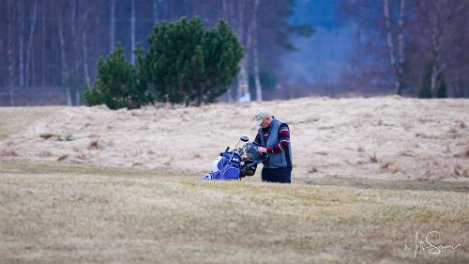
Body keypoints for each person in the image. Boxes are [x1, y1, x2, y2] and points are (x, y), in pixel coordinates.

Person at [253, 108, 292, 183]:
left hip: (282, 169)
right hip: (267, 168)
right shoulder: (261, 130)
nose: (260, 125)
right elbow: (255, 144)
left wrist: (266, 150)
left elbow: (284, 144)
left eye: (261, 122)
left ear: (267, 118)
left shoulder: (281, 126)